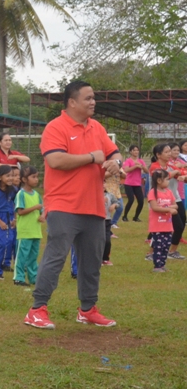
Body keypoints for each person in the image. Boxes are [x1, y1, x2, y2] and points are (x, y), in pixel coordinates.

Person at [24, 81, 121, 330]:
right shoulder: (56, 128)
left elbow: (114, 154)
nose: (93, 102)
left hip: (95, 206)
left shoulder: (96, 128)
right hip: (64, 205)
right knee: (55, 257)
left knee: (92, 262)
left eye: (93, 97)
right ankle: (37, 310)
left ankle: (87, 309)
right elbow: (55, 160)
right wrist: (91, 157)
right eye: (88, 98)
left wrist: (115, 163)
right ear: (72, 102)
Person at [13, 167, 44, 286]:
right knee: (22, 255)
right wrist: (34, 208)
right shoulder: (20, 194)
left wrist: (42, 216)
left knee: (33, 256)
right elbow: (20, 212)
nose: (36, 180)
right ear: (24, 179)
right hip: (25, 231)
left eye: (37, 177)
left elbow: (41, 210)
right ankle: (18, 277)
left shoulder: (36, 194)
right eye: (33, 177)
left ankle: (33, 277)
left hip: (35, 231)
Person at [148, 169, 177, 272]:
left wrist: (168, 207)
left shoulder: (169, 192)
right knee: (159, 246)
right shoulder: (152, 192)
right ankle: (157, 266)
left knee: (166, 246)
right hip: (157, 226)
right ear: (159, 181)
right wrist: (169, 209)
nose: (169, 182)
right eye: (167, 179)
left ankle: (162, 265)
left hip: (168, 225)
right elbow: (155, 207)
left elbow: (175, 205)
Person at [122, 145, 146, 222]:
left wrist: (141, 166)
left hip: (137, 184)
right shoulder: (128, 160)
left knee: (141, 201)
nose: (136, 151)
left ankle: (136, 217)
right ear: (131, 152)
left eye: (137, 150)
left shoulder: (141, 161)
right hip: (129, 183)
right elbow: (126, 170)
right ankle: (125, 216)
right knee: (131, 199)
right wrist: (135, 166)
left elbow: (147, 171)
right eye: (134, 150)